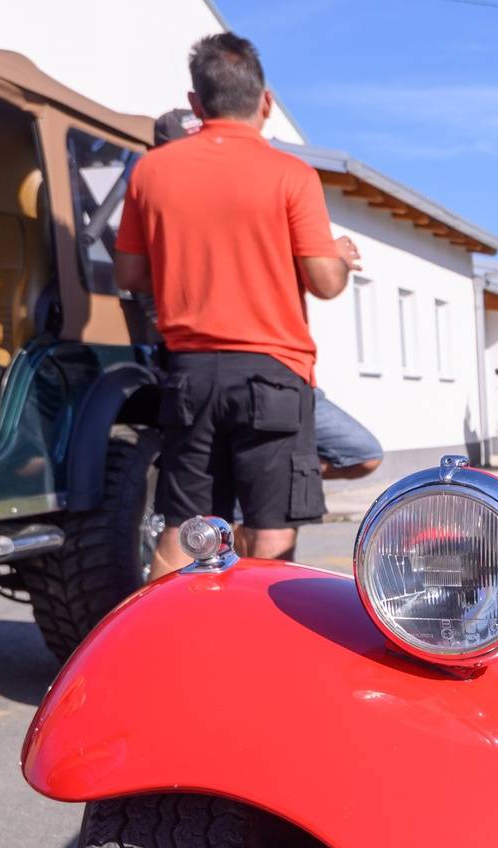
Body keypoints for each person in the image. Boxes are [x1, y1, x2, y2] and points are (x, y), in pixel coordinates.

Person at [114, 33, 360, 575]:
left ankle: (161, 651)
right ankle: (260, 655)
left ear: (196, 104)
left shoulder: (152, 171)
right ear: (265, 101)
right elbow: (324, 283)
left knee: (185, 529)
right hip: (273, 375)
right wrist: (338, 255)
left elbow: (130, 274)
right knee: (270, 534)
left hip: (190, 375)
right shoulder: (292, 175)